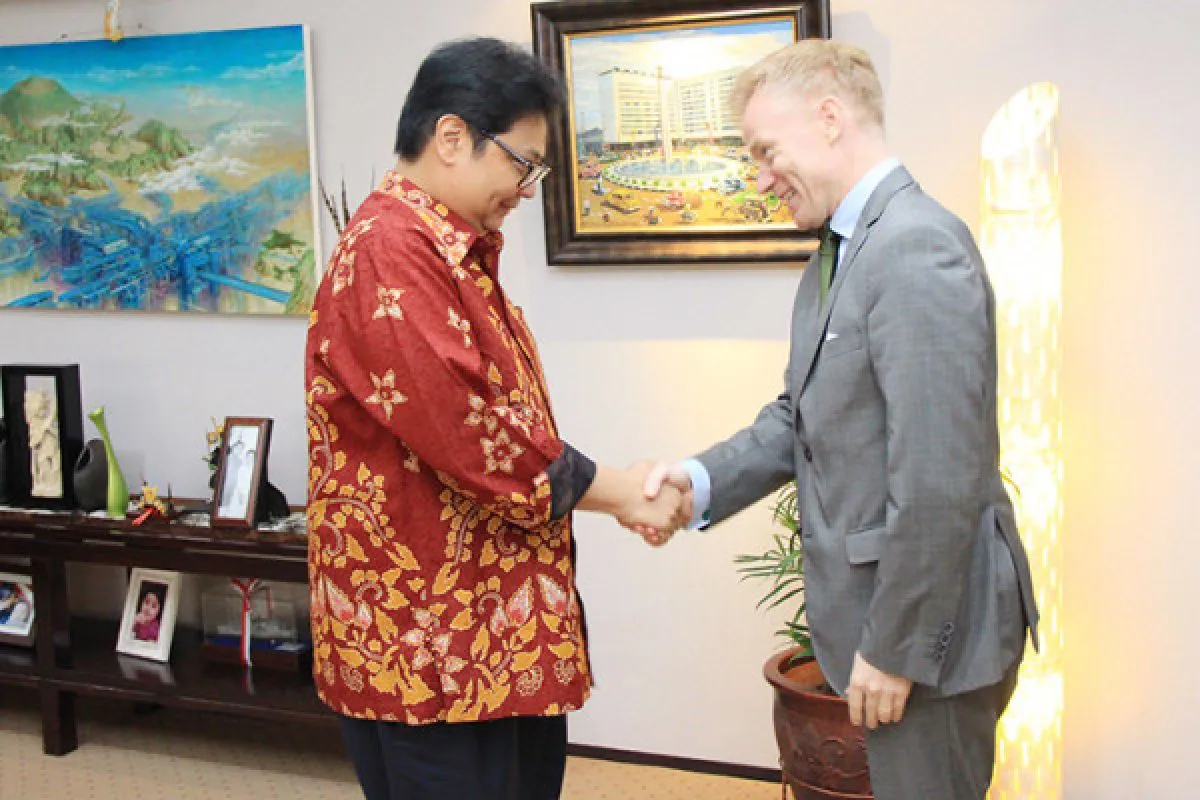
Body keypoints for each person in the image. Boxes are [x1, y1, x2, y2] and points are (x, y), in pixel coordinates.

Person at [640, 40, 1040, 799]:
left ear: (829, 118)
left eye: (765, 151)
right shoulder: (844, 250)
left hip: (932, 640)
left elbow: (937, 478)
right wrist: (697, 481)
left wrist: (895, 649)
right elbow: (802, 414)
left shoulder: (914, 246)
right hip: (900, 624)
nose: (760, 177)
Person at [304, 37, 685, 800]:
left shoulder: (447, 250)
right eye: (522, 163)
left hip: (483, 632)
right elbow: (471, 433)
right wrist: (624, 492)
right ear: (452, 137)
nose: (527, 188)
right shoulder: (389, 251)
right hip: (431, 646)